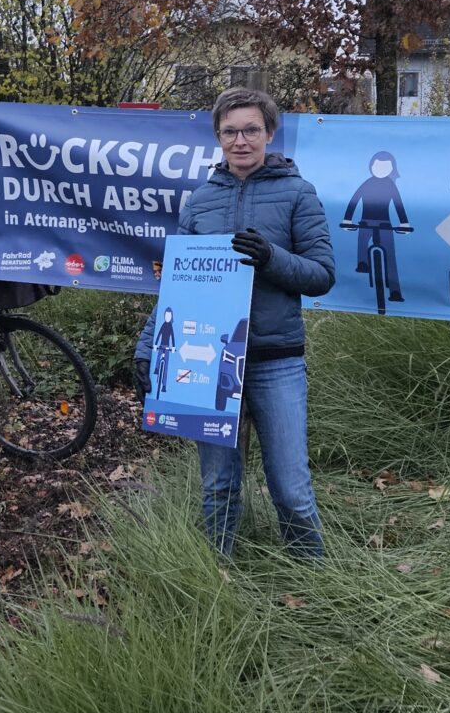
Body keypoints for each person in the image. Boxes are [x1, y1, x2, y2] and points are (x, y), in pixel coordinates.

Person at [134, 87, 335, 557]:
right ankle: (218, 577)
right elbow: (179, 286)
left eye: (250, 130)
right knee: (218, 486)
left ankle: (315, 575)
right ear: (218, 136)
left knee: (291, 489)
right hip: (209, 365)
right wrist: (148, 348)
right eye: (230, 132)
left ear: (269, 133)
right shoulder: (201, 201)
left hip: (276, 362)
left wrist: (271, 258)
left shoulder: (298, 194)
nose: (240, 141)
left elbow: (322, 275)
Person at [343, 149, 411, 302]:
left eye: (386, 167)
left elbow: (398, 204)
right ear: (371, 166)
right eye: (378, 166)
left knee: (390, 256)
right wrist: (347, 219)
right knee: (362, 241)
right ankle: (362, 263)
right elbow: (354, 200)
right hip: (365, 222)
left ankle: (395, 291)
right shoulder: (367, 183)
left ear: (392, 168)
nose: (381, 169)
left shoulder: (390, 185)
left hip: (385, 224)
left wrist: (404, 223)